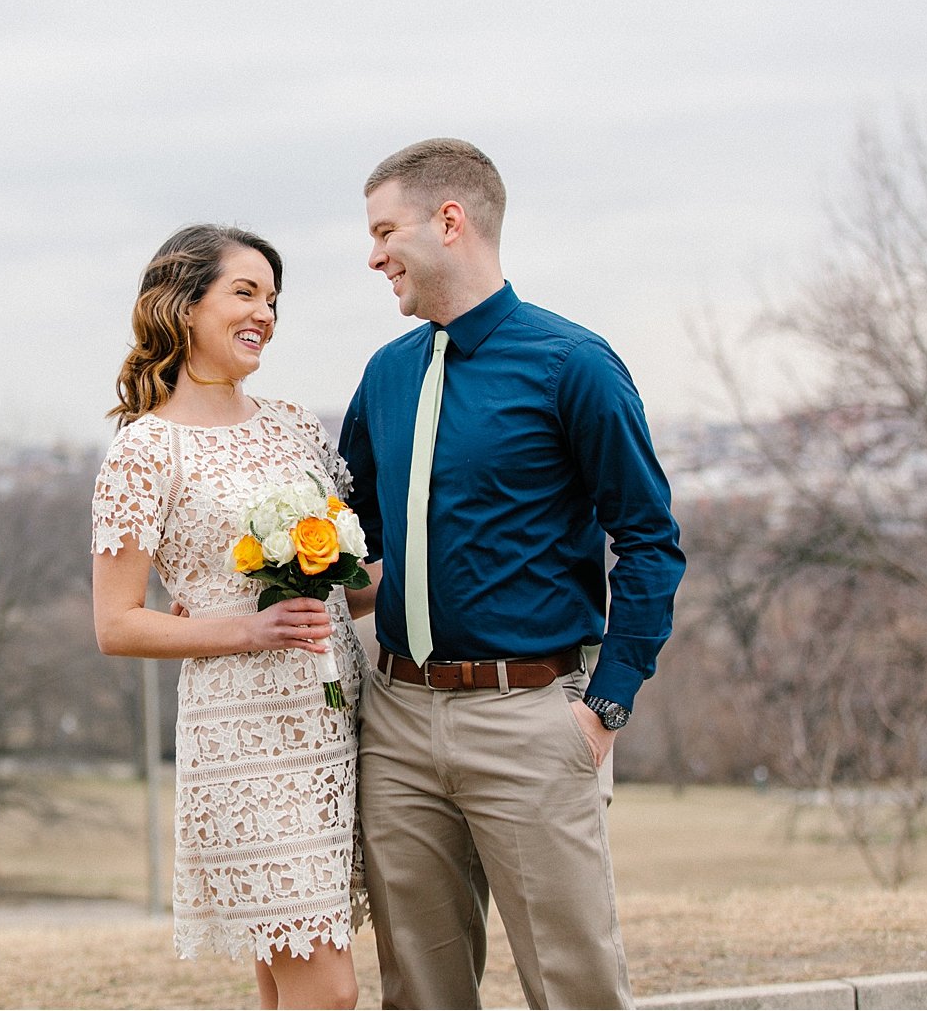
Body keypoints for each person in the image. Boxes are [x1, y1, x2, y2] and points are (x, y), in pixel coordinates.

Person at [340, 138, 686, 1010]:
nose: (374, 256)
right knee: (420, 993)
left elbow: (649, 540)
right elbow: (355, 546)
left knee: (574, 988)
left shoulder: (574, 365)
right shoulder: (385, 376)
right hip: (397, 721)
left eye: (385, 232)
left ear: (450, 221)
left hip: (531, 719)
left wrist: (606, 704)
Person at [92, 223, 377, 1010]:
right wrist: (245, 629)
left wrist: (455, 557)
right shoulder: (145, 451)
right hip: (243, 742)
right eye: (244, 293)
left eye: (273, 300)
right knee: (331, 992)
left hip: (335, 726)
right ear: (184, 306)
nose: (265, 315)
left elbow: (348, 589)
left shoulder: (295, 425)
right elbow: (117, 624)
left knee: (287, 980)